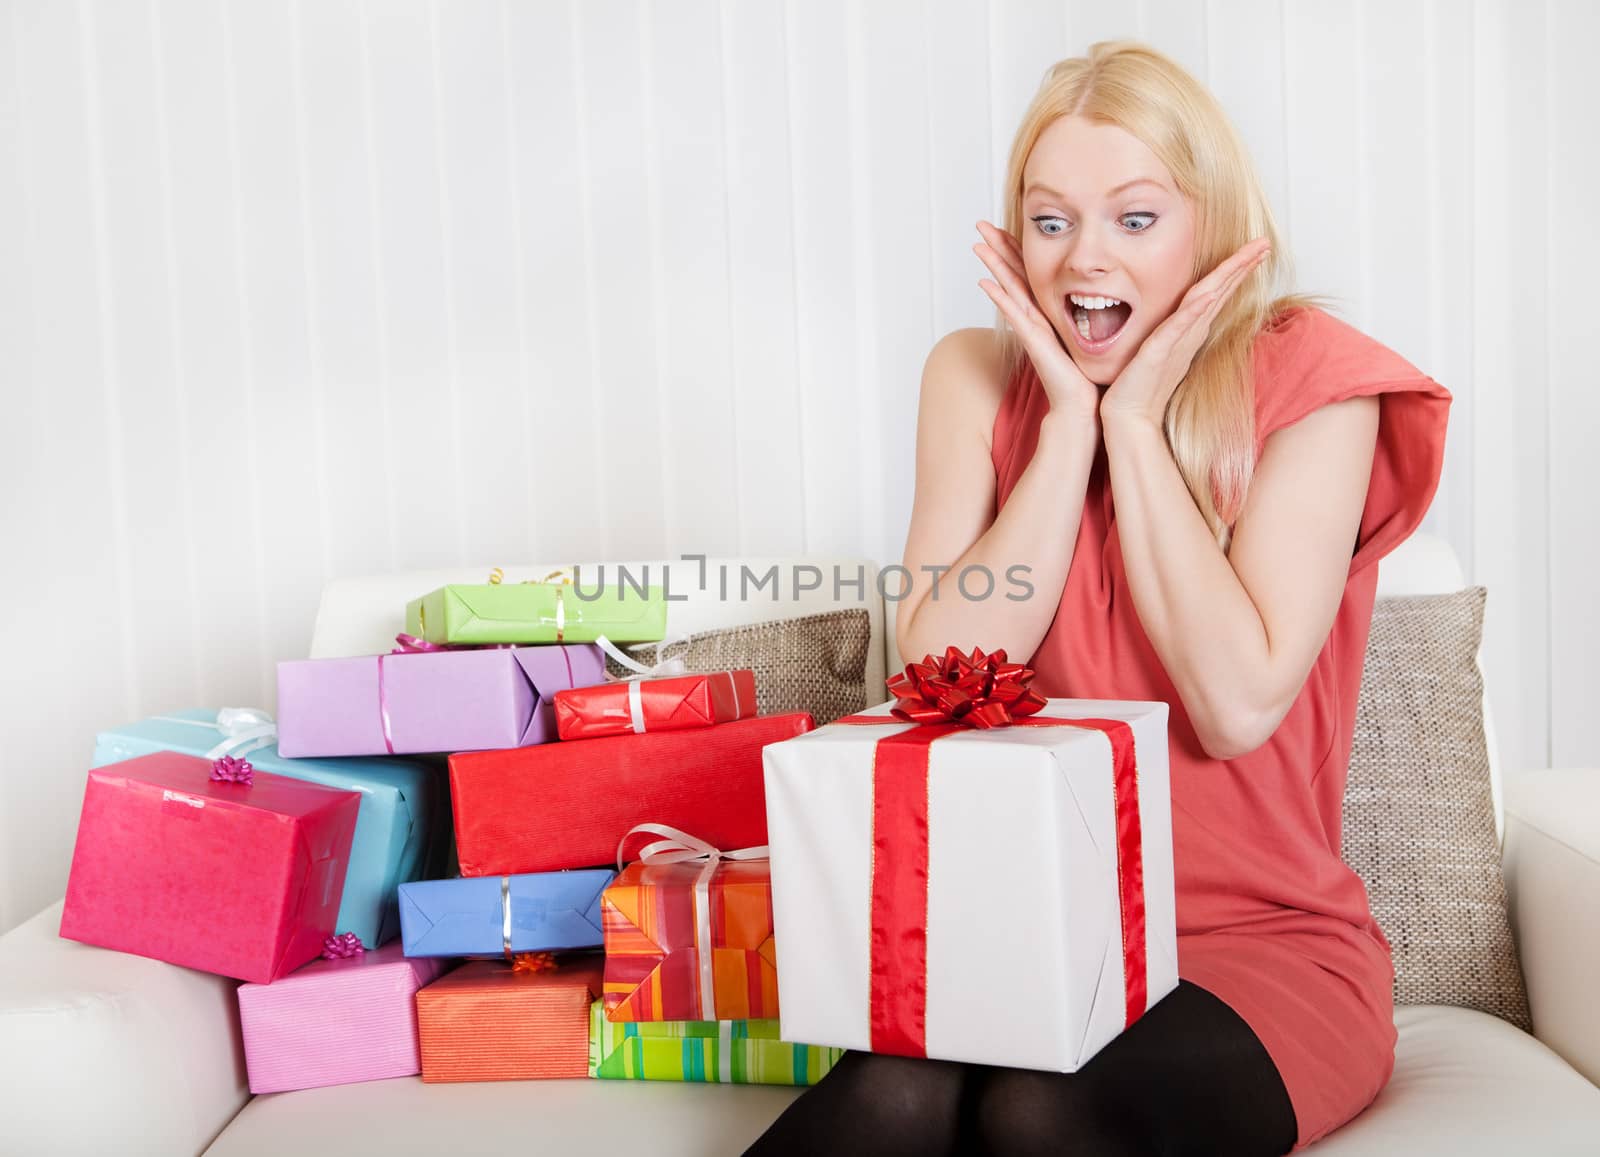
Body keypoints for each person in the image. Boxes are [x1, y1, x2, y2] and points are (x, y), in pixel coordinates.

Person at [743, 39, 1451, 1157]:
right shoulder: (973, 378)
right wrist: (1068, 425)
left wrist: (1134, 424)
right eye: (1049, 218)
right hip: (1032, 932)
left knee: (1039, 1112)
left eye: (1134, 218)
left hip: (1263, 946)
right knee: (894, 1101)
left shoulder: (1313, 382)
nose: (1082, 258)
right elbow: (936, 682)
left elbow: (1234, 703)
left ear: (1209, 225)